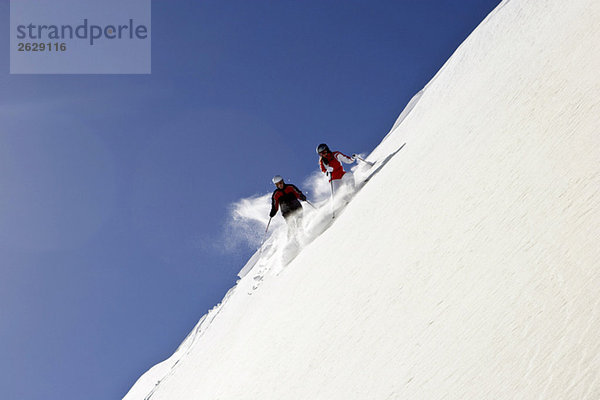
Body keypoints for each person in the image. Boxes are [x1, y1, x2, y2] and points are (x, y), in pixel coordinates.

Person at [269, 175, 307, 242]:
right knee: (291, 225)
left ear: (283, 181)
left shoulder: (290, 187)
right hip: (286, 211)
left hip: (296, 207)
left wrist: (302, 197)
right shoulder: (276, 194)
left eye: (280, 182)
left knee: (299, 221)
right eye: (278, 184)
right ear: (276, 185)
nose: (280, 185)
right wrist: (273, 212)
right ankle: (291, 241)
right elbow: (275, 205)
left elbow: (298, 193)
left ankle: (302, 236)